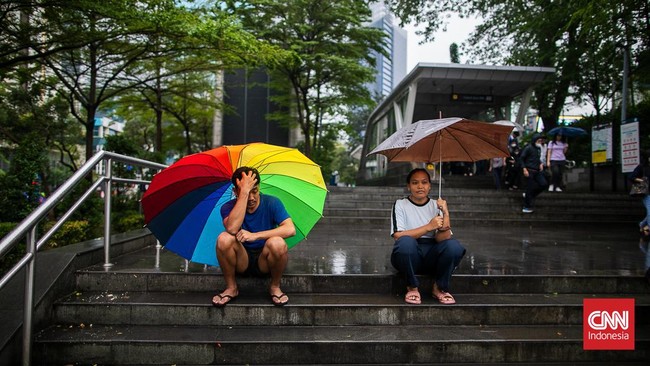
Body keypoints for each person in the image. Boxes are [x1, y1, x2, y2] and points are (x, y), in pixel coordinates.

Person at [212, 166, 296, 307]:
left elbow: (290, 229)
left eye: (255, 191)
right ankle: (231, 288)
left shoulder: (272, 202)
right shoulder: (227, 207)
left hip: (265, 258)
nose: (251, 197)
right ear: (235, 191)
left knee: (278, 243)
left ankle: (275, 286)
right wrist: (243, 193)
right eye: (246, 192)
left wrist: (255, 236)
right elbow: (232, 228)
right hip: (241, 258)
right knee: (223, 238)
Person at [390, 168, 466, 305]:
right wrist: (428, 227)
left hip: (432, 254)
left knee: (454, 246)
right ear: (408, 186)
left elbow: (443, 239)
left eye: (424, 182)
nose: (420, 186)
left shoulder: (437, 205)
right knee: (405, 242)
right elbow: (398, 235)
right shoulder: (400, 204)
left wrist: (446, 213)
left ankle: (439, 288)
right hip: (408, 255)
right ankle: (412, 287)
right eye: (415, 183)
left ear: (430, 186)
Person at [629, 150, 650, 282]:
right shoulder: (642, 167)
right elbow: (631, 177)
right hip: (646, 192)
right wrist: (641, 179)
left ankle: (642, 224)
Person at [520, 133, 548, 213]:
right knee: (530, 188)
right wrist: (524, 169)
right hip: (529, 170)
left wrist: (540, 164)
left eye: (540, 141)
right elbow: (522, 158)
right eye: (538, 140)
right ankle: (526, 206)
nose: (540, 142)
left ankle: (531, 195)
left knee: (543, 184)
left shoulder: (539, 149)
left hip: (537, 170)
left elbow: (537, 158)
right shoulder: (528, 148)